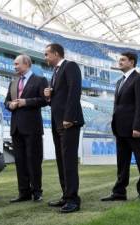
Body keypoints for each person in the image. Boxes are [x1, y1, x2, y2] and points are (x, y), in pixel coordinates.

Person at [101, 52, 140, 202]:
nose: (120, 62)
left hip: (134, 129)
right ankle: (119, 193)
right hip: (120, 128)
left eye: (123, 60)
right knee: (122, 162)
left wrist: (137, 127)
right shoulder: (119, 81)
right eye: (119, 60)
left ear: (132, 62)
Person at [43, 43, 84, 213]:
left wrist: (69, 117)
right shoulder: (56, 71)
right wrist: (49, 96)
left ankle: (73, 199)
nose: (45, 57)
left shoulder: (70, 66)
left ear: (56, 53)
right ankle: (66, 195)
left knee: (68, 160)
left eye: (47, 54)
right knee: (61, 159)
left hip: (68, 121)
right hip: (57, 121)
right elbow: (60, 96)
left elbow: (75, 91)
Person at [5, 54, 48, 203]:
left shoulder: (40, 80)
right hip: (16, 128)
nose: (15, 66)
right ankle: (23, 192)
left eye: (17, 64)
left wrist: (26, 102)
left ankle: (37, 192)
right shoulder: (13, 81)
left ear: (26, 64)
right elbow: (6, 102)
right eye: (14, 64)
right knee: (20, 161)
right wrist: (10, 105)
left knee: (33, 160)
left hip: (32, 127)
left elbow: (44, 100)